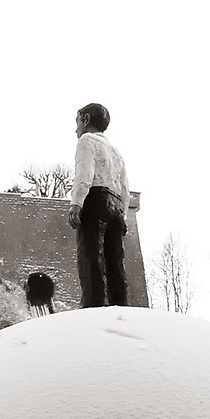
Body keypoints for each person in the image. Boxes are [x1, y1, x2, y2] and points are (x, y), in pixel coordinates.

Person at [68, 102, 130, 308]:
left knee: (91, 258)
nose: (75, 128)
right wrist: (124, 215)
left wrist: (76, 203)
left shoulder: (87, 141)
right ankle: (120, 306)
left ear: (86, 119)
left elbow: (84, 174)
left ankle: (92, 306)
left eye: (77, 121)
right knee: (115, 264)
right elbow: (124, 186)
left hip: (95, 200)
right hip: (117, 205)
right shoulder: (116, 150)